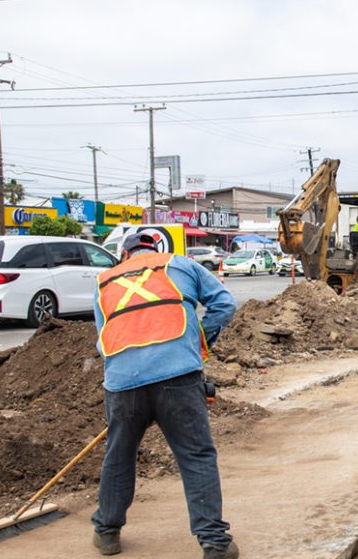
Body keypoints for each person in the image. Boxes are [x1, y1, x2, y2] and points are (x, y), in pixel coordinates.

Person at [91, 233, 239, 559]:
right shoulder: (181, 264)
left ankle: (107, 533)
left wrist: (129, 367)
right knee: (196, 456)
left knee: (119, 455)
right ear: (156, 251)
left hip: (123, 383)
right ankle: (214, 542)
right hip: (179, 375)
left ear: (124, 254)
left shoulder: (105, 281)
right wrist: (199, 343)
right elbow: (225, 304)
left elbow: (103, 340)